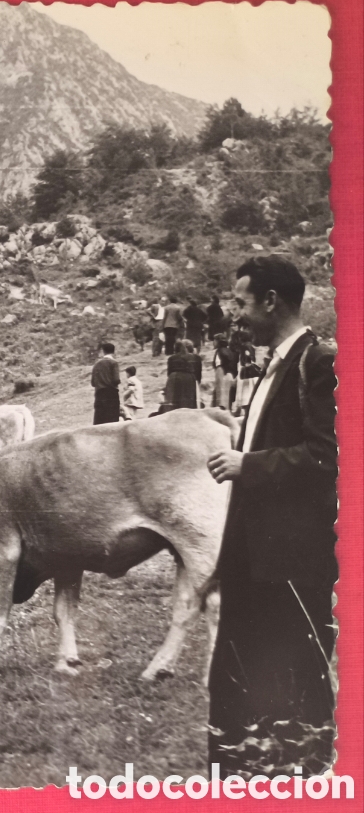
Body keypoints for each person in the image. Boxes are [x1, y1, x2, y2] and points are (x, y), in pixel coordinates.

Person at [206, 255, 337, 776]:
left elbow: (328, 456)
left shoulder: (319, 363)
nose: (236, 314)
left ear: (271, 301)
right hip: (253, 559)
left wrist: (249, 464)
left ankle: (301, 782)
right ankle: (240, 781)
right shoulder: (273, 365)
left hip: (291, 564)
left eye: (241, 303)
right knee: (241, 677)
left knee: (294, 679)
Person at [164, 338, 202, 409]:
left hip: (174, 378)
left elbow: (169, 373)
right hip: (190, 379)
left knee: (174, 401)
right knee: (188, 402)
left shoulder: (171, 358)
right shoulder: (196, 358)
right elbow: (198, 374)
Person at [90, 342, 120, 424]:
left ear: (103, 351)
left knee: (99, 419)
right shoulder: (114, 363)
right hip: (111, 394)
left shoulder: (97, 364)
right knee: (112, 420)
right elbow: (116, 380)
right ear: (113, 351)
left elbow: (93, 383)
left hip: (99, 394)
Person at [211, 335, 237, 409]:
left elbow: (217, 364)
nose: (213, 342)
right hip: (230, 374)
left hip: (221, 372)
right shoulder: (230, 351)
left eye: (215, 340)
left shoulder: (219, 351)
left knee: (220, 393)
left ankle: (219, 407)